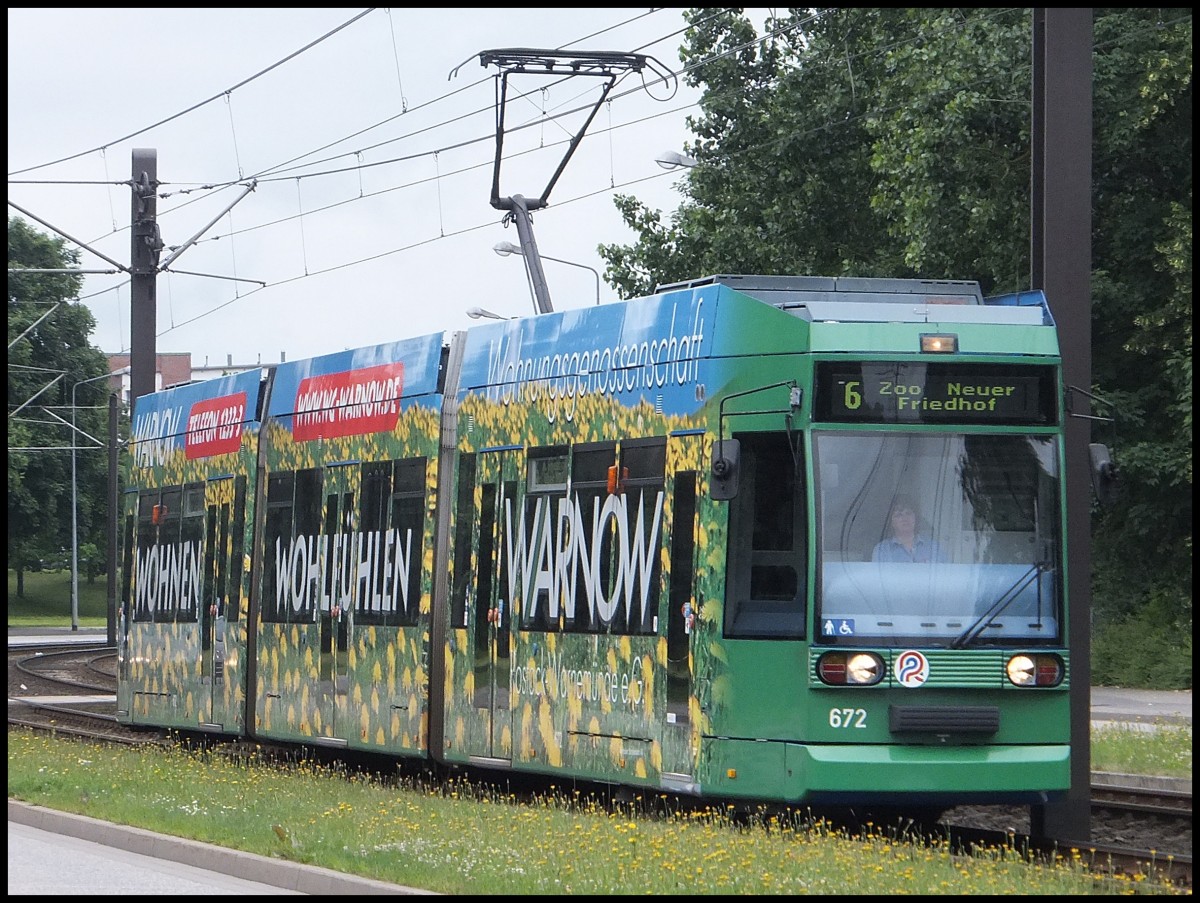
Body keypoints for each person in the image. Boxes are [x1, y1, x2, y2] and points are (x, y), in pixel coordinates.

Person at [872, 494, 946, 563]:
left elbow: (945, 573)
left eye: (908, 513)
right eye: (898, 515)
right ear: (891, 522)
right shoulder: (882, 550)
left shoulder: (933, 547)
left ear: (915, 518)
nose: (904, 518)